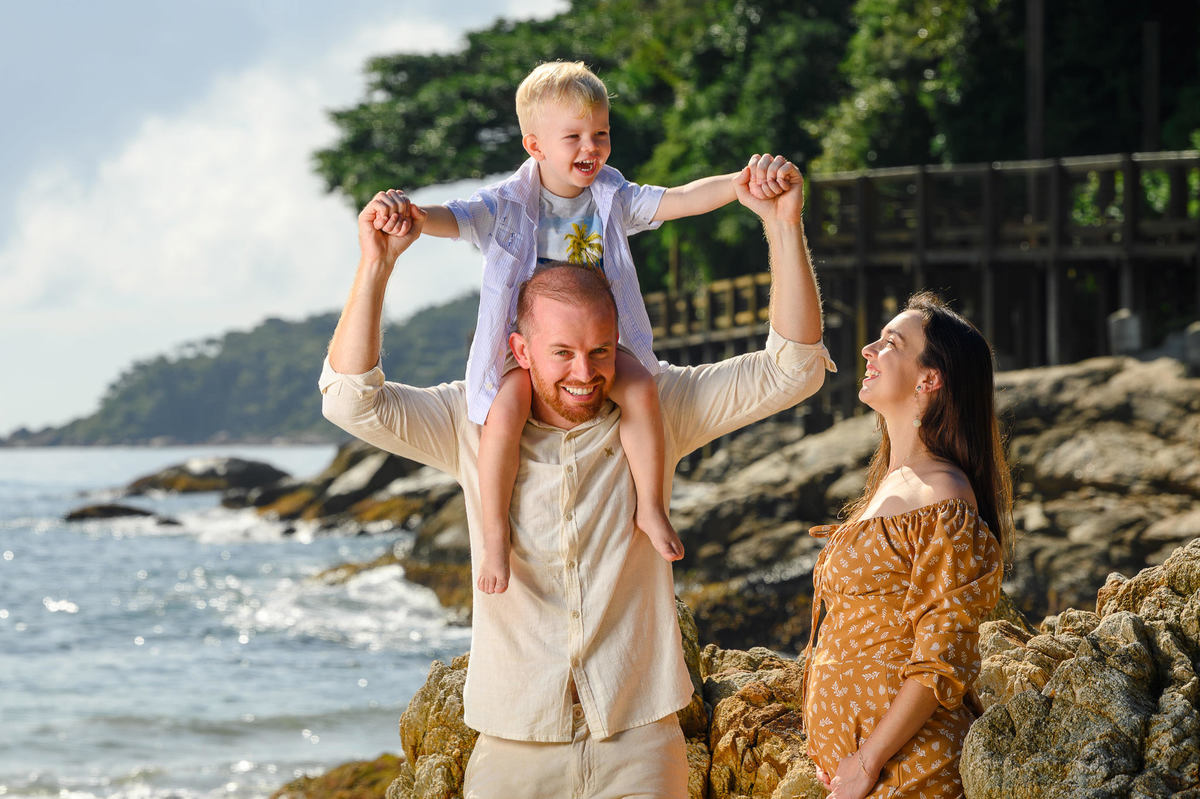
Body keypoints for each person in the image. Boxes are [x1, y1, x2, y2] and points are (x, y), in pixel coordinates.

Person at [320, 152, 833, 799]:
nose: (584, 373)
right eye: (561, 353)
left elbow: (794, 370)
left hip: (641, 738)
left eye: (599, 350)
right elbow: (347, 400)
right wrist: (377, 265)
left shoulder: (659, 408)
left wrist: (782, 225)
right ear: (520, 349)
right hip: (513, 739)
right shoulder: (467, 422)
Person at [385, 60, 753, 594]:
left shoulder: (612, 196)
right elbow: (457, 217)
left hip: (597, 344)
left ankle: (650, 506)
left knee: (642, 388)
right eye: (574, 137)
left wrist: (740, 185)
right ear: (535, 145)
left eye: (601, 134)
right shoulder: (508, 205)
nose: (592, 147)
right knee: (502, 416)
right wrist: (415, 216)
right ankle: (491, 537)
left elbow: (679, 199)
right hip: (531, 352)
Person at [802, 292, 1014, 798]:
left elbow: (943, 653)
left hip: (906, 773)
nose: (868, 350)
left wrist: (868, 760)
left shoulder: (944, 495)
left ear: (929, 379)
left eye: (891, 343)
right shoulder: (891, 486)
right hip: (860, 772)